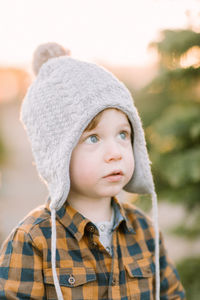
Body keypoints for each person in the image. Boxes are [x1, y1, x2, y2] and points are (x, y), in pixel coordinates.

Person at [0, 43, 185, 300]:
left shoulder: (145, 231)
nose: (116, 152)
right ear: (58, 155)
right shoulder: (35, 240)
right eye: (94, 138)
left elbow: (172, 295)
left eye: (123, 134)